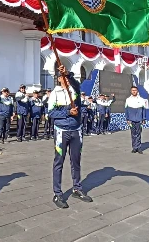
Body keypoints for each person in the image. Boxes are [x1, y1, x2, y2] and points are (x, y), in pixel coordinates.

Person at [48, 64, 93, 209]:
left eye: (66, 78)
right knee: (59, 161)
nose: (65, 80)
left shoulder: (75, 90)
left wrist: (68, 73)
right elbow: (51, 113)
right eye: (63, 78)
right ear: (59, 79)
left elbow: (75, 83)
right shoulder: (55, 93)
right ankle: (57, 193)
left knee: (76, 161)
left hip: (76, 130)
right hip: (61, 131)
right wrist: (68, 112)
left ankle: (77, 188)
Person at [125, 86, 146, 154]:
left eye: (135, 90)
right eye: (133, 90)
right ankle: (134, 148)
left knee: (139, 134)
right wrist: (127, 119)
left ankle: (139, 148)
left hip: (139, 119)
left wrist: (143, 118)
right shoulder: (128, 99)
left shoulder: (141, 99)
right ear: (131, 91)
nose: (134, 91)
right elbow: (126, 110)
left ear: (137, 91)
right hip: (131, 119)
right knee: (133, 134)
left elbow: (144, 110)